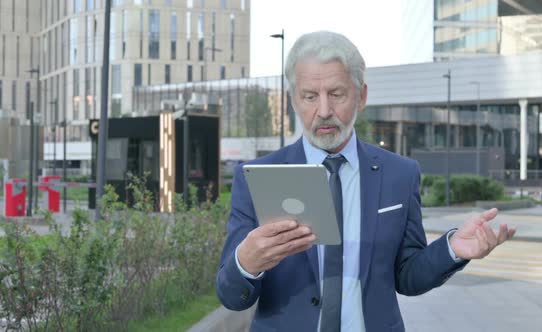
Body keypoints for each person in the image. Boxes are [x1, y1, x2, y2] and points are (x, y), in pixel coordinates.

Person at [215, 31, 516, 332]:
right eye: (310, 96)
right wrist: (246, 263)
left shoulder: (400, 174)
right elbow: (232, 296)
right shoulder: (255, 177)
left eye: (336, 94)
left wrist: (451, 249)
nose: (323, 111)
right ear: (294, 100)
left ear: (361, 97)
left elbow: (407, 276)